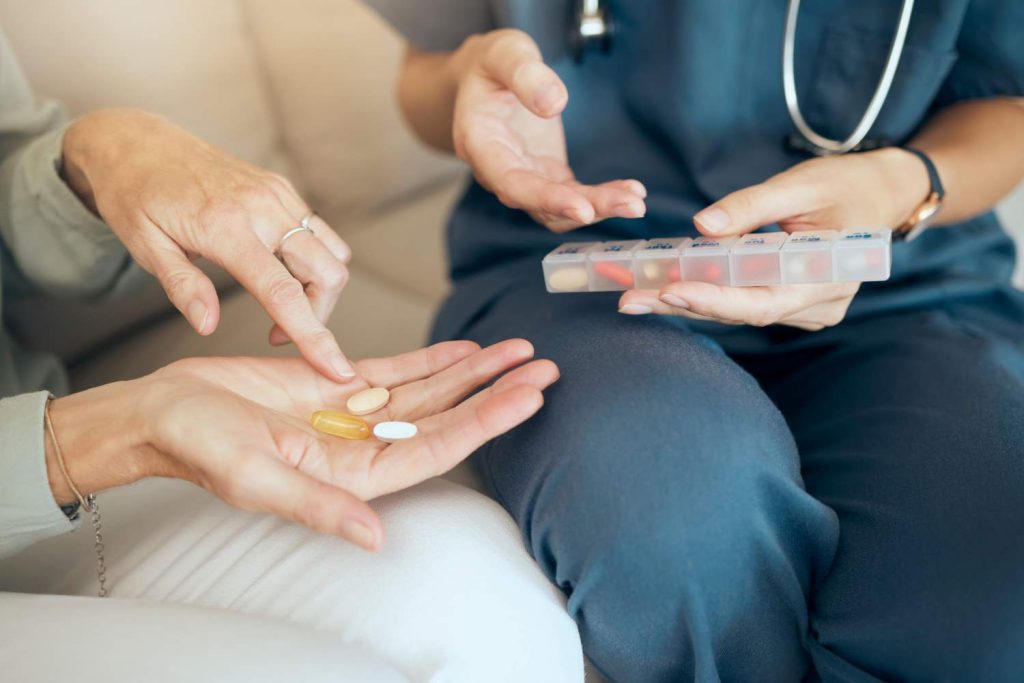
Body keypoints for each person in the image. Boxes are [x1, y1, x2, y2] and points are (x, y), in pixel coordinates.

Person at [365, 1, 1024, 681]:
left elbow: (1009, 105)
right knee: (666, 524)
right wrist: (466, 80)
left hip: (899, 279)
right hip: (584, 274)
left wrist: (902, 183)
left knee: (997, 590)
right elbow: (425, 76)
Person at [0, 27, 583, 681]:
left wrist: (100, 151)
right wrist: (100, 436)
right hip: (50, 456)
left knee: (484, 597)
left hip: (48, 460)